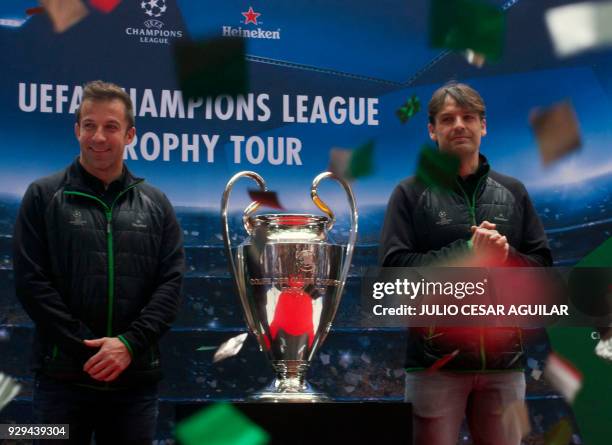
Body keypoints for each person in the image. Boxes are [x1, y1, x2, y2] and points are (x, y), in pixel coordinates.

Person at [379, 81, 552, 445]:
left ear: (483, 126)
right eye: (447, 118)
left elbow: (542, 274)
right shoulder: (409, 193)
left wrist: (506, 257)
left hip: (504, 367)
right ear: (432, 130)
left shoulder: (514, 192)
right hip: (434, 368)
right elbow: (395, 274)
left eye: (468, 117)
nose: (459, 125)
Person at [13, 80, 185, 444]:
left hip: (133, 384)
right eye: (89, 125)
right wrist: (88, 348)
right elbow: (31, 282)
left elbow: (170, 285)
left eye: (111, 126)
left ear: (130, 134)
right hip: (60, 381)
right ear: (77, 130)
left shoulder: (157, 203)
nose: (99, 136)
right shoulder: (43, 196)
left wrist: (127, 345)